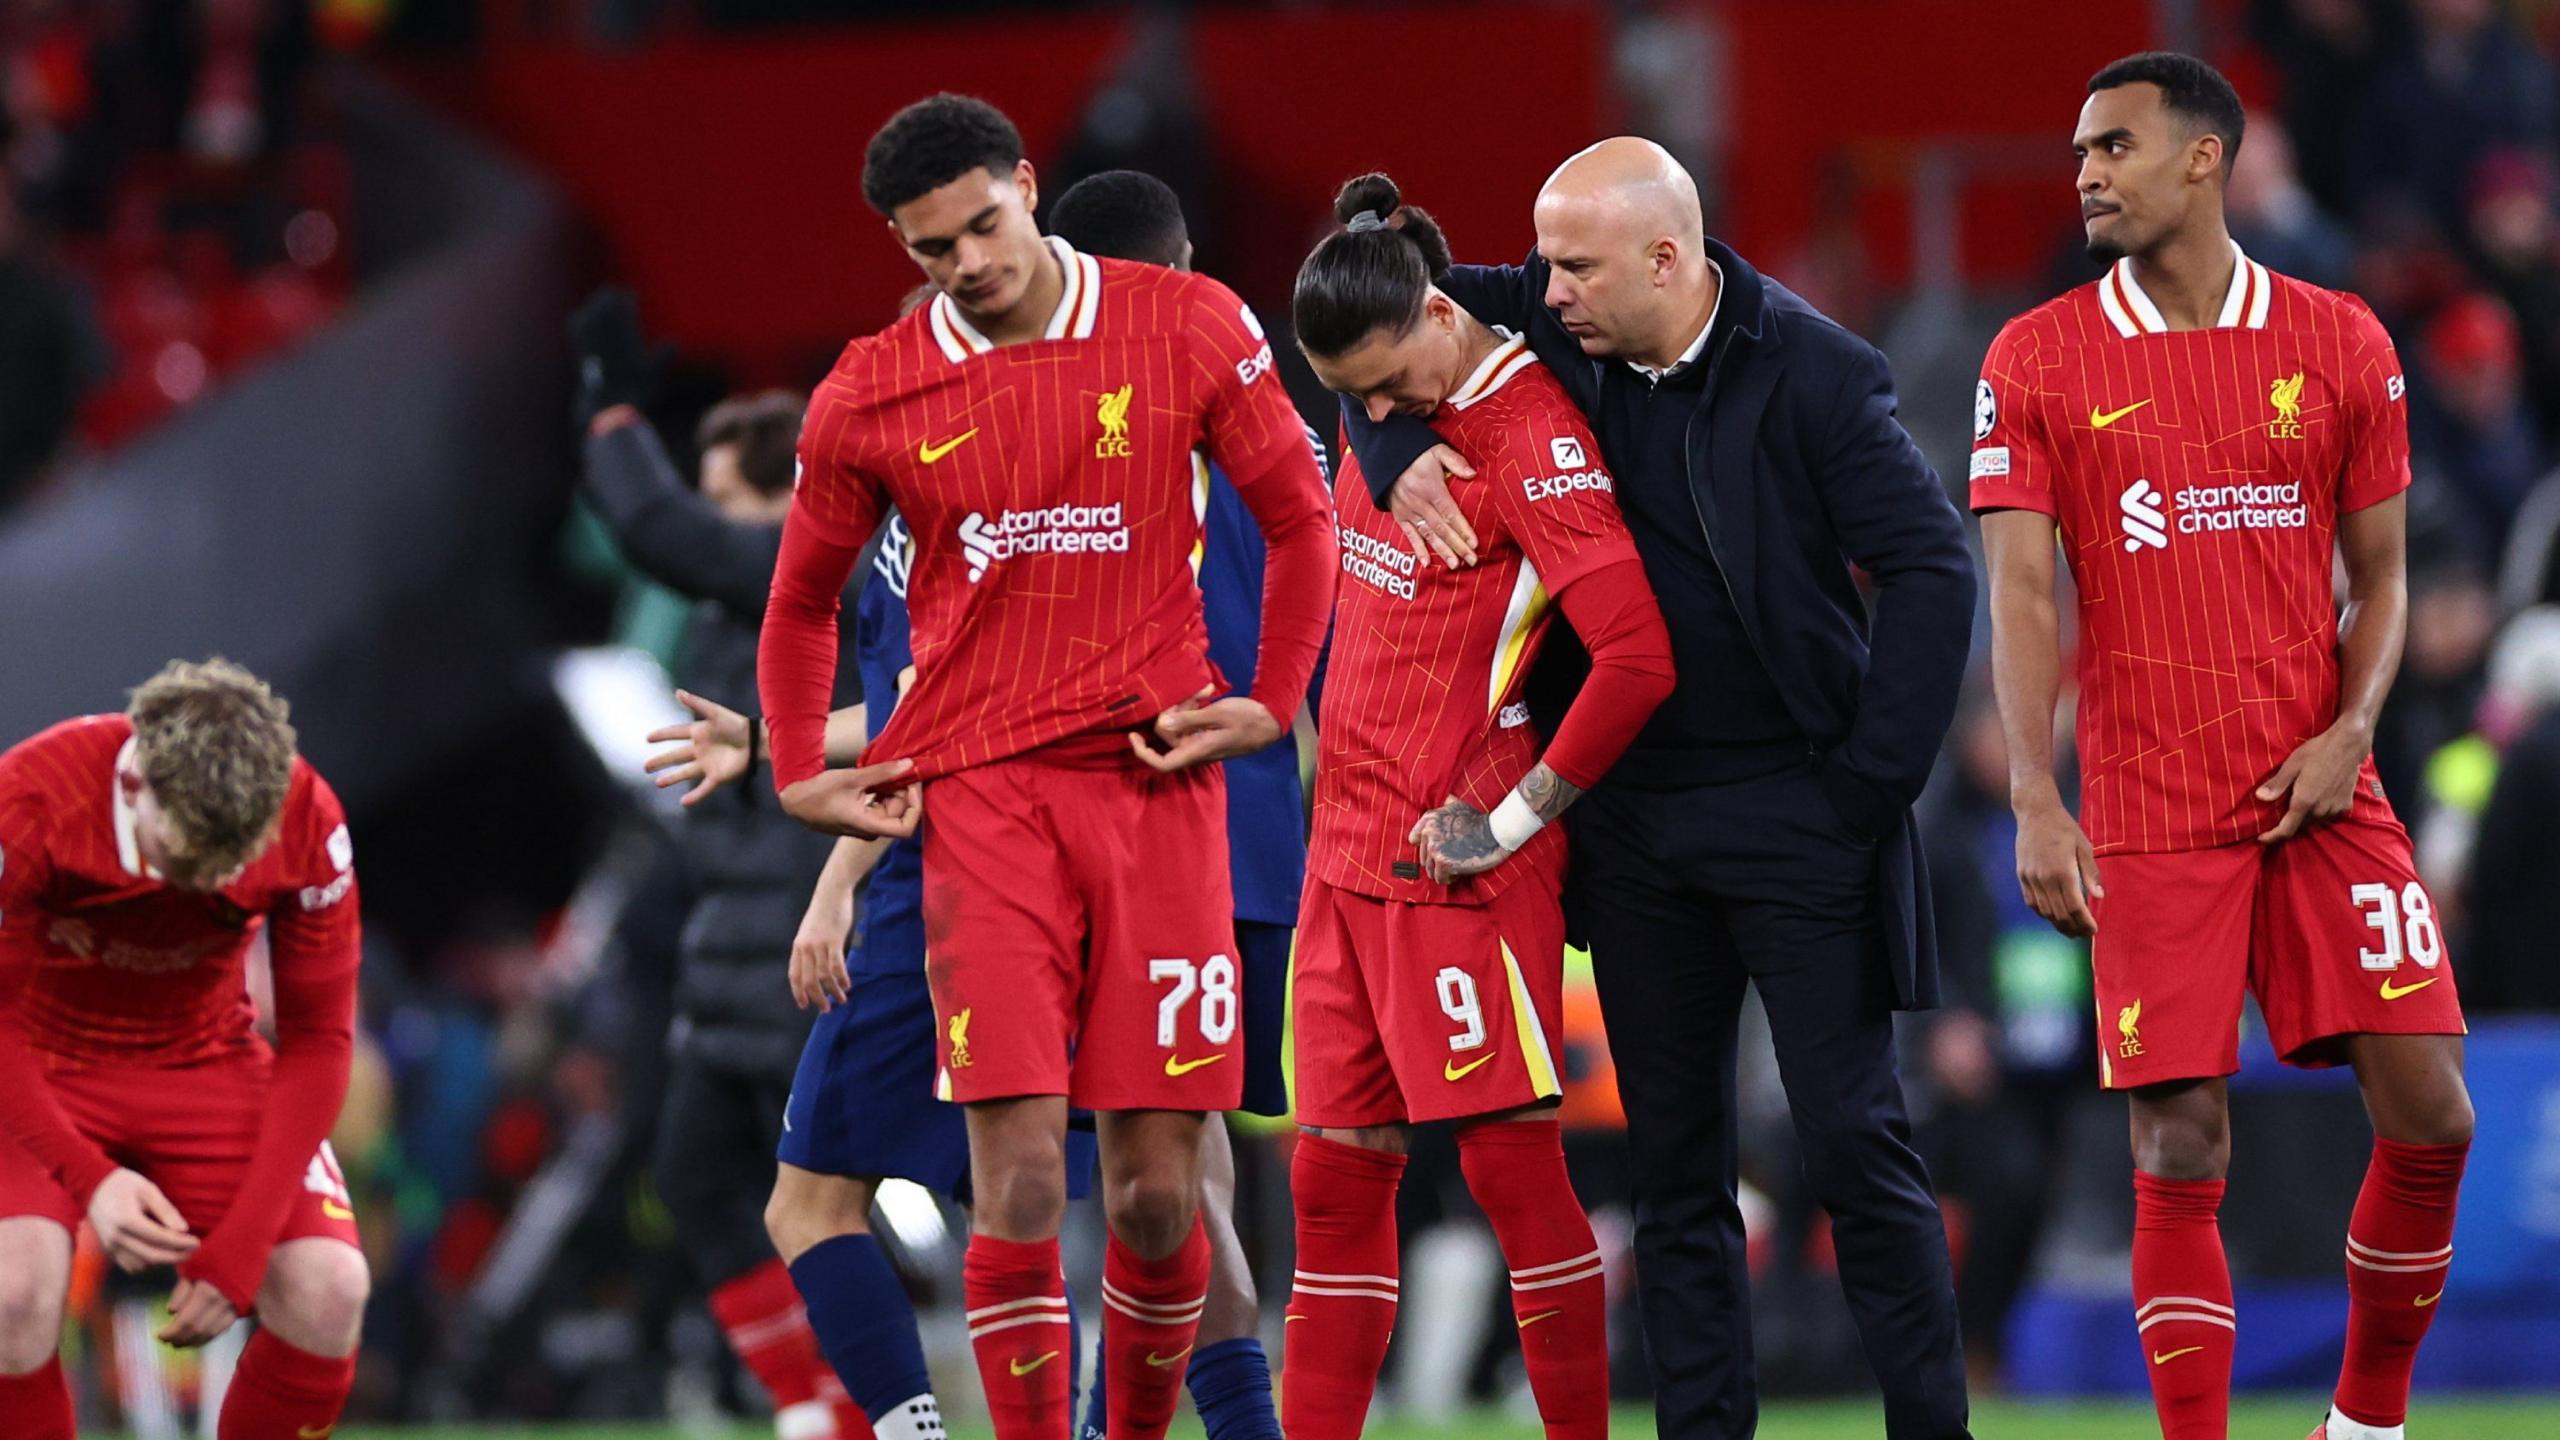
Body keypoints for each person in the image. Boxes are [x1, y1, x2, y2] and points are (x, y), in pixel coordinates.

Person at [1343, 138, 1975, 1439]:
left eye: (1573, 266)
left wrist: (1868, 790)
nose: (1544, 289)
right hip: (1629, 819)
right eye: (1544, 264)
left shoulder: (1818, 374)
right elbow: (1357, 309)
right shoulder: (1548, 309)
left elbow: (1933, 571)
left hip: (1802, 809)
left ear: (1665, 258)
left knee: (1855, 1147)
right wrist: (1380, 437)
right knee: (1674, 1171)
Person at [755, 94, 1334, 1440]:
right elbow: (799, 603)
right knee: (1013, 1181)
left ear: (1026, 184)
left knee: (1156, 1194)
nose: (966, 262)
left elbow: (1304, 523)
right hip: (986, 813)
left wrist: (1268, 700)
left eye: (981, 224)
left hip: (1162, 800)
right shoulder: (873, 387)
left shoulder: (1185, 322)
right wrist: (793, 766)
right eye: (929, 248)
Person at [1972, 53, 2475, 1440]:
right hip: (2145, 800)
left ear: (2205, 159)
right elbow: (2019, 593)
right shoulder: (2037, 356)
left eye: (2115, 145)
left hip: (2324, 783)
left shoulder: (2341, 339)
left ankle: (2363, 1424)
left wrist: (2350, 733)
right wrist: (2034, 794)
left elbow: (2381, 580)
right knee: (2178, 1138)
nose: (2086, 170)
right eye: (2079, 148)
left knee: (2435, 1117)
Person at [1282, 173, 1674, 1440]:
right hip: (1339, 864)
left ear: (1441, 313)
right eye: (1355, 396)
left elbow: (1636, 657)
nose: (1376, 410)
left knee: (1511, 1176)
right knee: (1332, 1192)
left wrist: (1513, 823)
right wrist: (1381, 433)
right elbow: (1368, 395)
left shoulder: (1533, 439)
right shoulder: (1385, 406)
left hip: (1458, 871)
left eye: (1388, 383)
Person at [570, 313, 872, 1440]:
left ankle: (855, 1406)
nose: (707, 529)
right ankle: (811, 1403)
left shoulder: (816, 559)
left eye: (724, 502)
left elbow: (653, 525)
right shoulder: (719, 611)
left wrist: (606, 410)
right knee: (698, 1175)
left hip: (805, 935)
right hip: (725, 940)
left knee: (822, 1203)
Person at [0, 659, 371, 1440]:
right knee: (12, 1296)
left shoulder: (307, 818)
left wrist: (242, 1247)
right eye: (190, 859)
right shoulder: (29, 804)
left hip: (203, 1058)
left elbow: (319, 1038)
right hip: (35, 1060)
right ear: (136, 789)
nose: (211, 885)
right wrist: (90, 1177)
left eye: (233, 865)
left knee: (330, 1289)